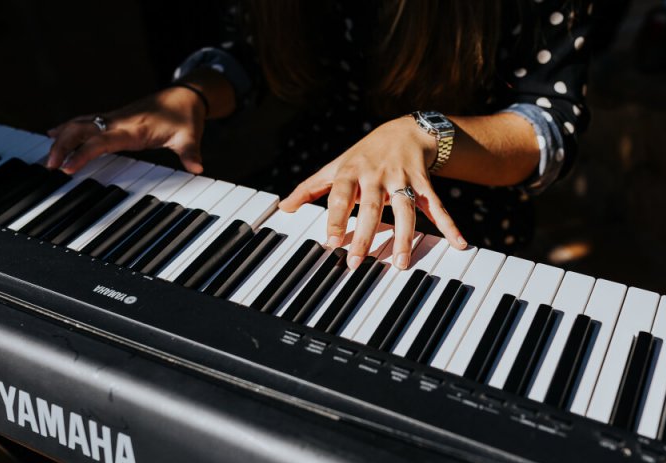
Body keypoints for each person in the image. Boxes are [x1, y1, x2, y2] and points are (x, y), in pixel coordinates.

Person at [46, 0, 592, 271]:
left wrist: (424, 134)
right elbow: (254, 54)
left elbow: (550, 126)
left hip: (459, 212)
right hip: (314, 182)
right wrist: (192, 94)